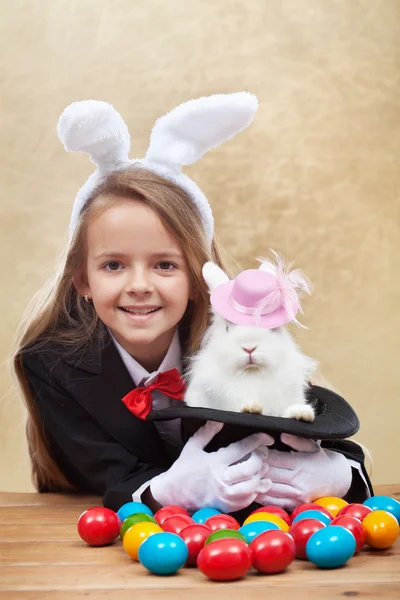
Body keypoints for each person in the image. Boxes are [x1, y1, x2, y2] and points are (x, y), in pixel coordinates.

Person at [12, 93, 372, 514]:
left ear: (199, 281)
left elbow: (318, 431)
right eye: (113, 265)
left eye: (165, 265)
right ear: (83, 281)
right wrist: (170, 491)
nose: (139, 285)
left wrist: (340, 474)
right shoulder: (51, 365)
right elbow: (107, 477)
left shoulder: (237, 341)